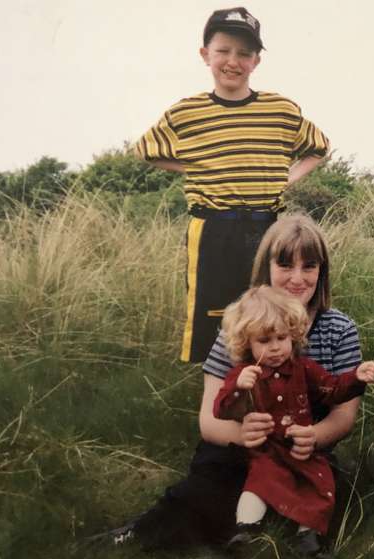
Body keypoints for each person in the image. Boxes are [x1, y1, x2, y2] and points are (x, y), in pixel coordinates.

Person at [107, 214, 365, 550]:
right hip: (241, 449)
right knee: (206, 492)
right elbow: (209, 421)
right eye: (285, 265)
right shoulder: (239, 322)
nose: (297, 278)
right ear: (265, 268)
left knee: (330, 495)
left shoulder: (340, 330)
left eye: (309, 266)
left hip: (304, 452)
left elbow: (343, 418)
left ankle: (272, 528)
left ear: (322, 271)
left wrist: (314, 436)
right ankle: (137, 535)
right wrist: (242, 434)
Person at [135, 6, 329, 363]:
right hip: (212, 228)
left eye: (244, 53)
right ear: (205, 54)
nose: (232, 61)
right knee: (217, 316)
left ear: (256, 61)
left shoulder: (280, 109)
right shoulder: (186, 112)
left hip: (266, 227)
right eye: (223, 50)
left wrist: (289, 176)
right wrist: (199, 167)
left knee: (273, 314)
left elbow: (319, 148)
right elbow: (146, 150)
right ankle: (220, 398)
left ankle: (277, 393)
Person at [212, 286, 374, 554]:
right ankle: (246, 529)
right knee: (261, 480)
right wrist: (239, 389)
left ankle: (309, 537)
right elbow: (222, 410)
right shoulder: (244, 373)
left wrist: (356, 377)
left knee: (319, 484)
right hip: (266, 449)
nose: (276, 347)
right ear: (248, 343)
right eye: (264, 341)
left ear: (293, 336)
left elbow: (331, 388)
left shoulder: (304, 368)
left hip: (300, 448)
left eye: (282, 337)